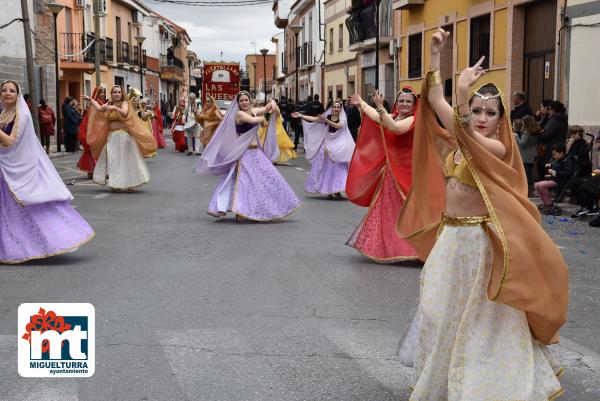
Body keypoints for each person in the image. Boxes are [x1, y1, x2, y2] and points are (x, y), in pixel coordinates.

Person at [397, 29, 567, 400]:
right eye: (476, 110)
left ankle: (481, 383)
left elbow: (463, 131)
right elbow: (435, 99)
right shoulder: (462, 139)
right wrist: (435, 55)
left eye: (490, 112)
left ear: (501, 119)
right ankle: (443, 379)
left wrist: (462, 94)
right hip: (451, 240)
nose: (481, 117)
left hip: (480, 245)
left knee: (481, 319)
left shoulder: (494, 147)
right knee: (443, 311)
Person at [0, 80, 94, 263]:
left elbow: (11, 141)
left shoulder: (22, 115)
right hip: (4, 165)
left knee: (25, 210)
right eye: (4, 90)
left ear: (17, 94)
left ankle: (39, 243)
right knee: (7, 212)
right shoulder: (3, 113)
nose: (7, 93)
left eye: (12, 90)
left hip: (16, 168)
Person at [197, 91, 300, 221]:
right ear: (238, 103)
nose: (244, 103)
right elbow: (253, 120)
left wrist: (272, 103)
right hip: (243, 154)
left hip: (256, 152)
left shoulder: (252, 110)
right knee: (244, 182)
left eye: (246, 100)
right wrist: (263, 118)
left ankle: (257, 208)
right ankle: (240, 210)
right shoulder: (239, 114)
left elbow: (266, 108)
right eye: (242, 101)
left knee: (265, 179)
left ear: (250, 101)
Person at [344, 87, 418, 263]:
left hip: (407, 174)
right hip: (391, 173)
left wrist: (380, 107)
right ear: (397, 104)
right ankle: (388, 248)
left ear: (414, 105)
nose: (405, 104)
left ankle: (412, 249)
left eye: (409, 101)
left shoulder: (413, 120)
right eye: (402, 101)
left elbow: (395, 128)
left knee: (406, 212)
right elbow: (377, 117)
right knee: (386, 211)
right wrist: (362, 103)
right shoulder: (391, 116)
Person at [84, 86, 156, 192]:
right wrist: (91, 100)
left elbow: (125, 113)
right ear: (111, 94)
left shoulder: (124, 104)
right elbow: (99, 109)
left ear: (122, 94)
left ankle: (131, 184)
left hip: (124, 136)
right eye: (114, 92)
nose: (117, 94)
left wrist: (115, 108)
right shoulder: (109, 104)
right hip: (112, 137)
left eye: (119, 92)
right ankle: (115, 183)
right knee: (114, 161)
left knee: (127, 160)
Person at [292, 100, 355, 198]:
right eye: (334, 107)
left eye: (338, 107)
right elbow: (314, 119)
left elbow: (338, 126)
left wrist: (326, 120)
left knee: (338, 169)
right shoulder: (328, 117)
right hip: (328, 145)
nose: (336, 109)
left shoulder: (342, 118)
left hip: (339, 147)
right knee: (327, 168)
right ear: (332, 108)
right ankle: (328, 190)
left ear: (341, 109)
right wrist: (301, 115)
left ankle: (337, 190)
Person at [77, 87, 106, 178]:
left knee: (98, 151)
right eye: (101, 92)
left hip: (99, 128)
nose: (103, 94)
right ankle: (92, 170)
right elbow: (93, 117)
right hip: (94, 129)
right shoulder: (95, 104)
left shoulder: (101, 102)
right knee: (93, 150)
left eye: (103, 92)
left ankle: (94, 170)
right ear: (97, 93)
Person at [515, 115, 539, 195]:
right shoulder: (535, 132)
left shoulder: (526, 133)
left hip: (525, 156)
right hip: (532, 155)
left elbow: (523, 143)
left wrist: (516, 137)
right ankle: (531, 189)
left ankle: (527, 190)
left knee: (526, 174)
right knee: (530, 173)